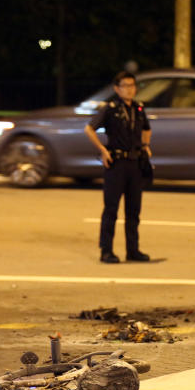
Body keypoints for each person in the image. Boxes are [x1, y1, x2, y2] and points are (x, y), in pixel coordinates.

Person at [84, 71, 152, 264]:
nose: (129, 89)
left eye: (132, 85)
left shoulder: (138, 108)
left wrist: (146, 146)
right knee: (111, 209)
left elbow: (147, 129)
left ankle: (133, 250)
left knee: (134, 210)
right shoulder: (110, 109)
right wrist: (102, 150)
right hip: (116, 164)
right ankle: (106, 251)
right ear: (116, 89)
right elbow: (89, 128)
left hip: (135, 164)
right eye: (125, 86)